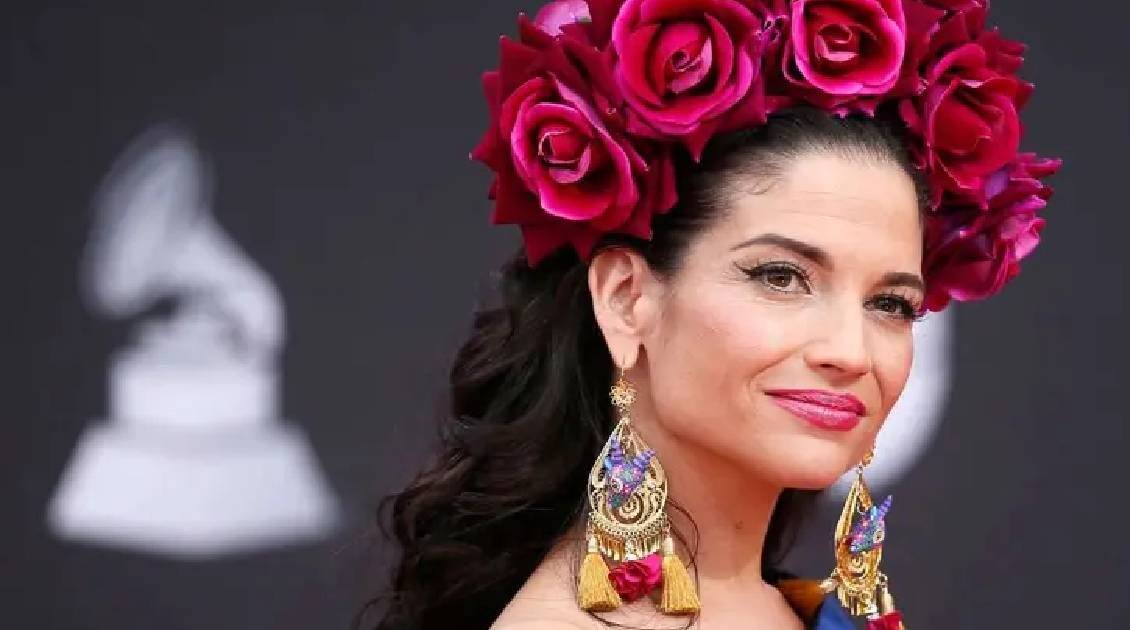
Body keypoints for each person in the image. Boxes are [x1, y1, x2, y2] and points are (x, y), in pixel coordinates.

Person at [363, 1, 1059, 628]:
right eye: (782, 277)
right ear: (626, 299)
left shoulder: (791, 608)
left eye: (890, 304)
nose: (851, 351)